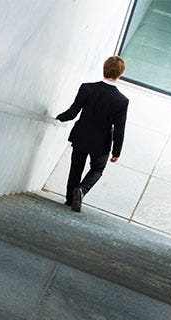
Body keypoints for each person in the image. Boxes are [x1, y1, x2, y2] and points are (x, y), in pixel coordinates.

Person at [56, 56, 129, 212]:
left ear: (104, 69)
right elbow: (119, 129)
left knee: (76, 168)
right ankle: (81, 190)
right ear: (120, 74)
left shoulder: (87, 88)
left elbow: (72, 112)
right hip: (101, 143)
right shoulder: (121, 100)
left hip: (81, 136)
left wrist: (58, 118)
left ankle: (70, 200)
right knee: (97, 170)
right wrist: (116, 152)